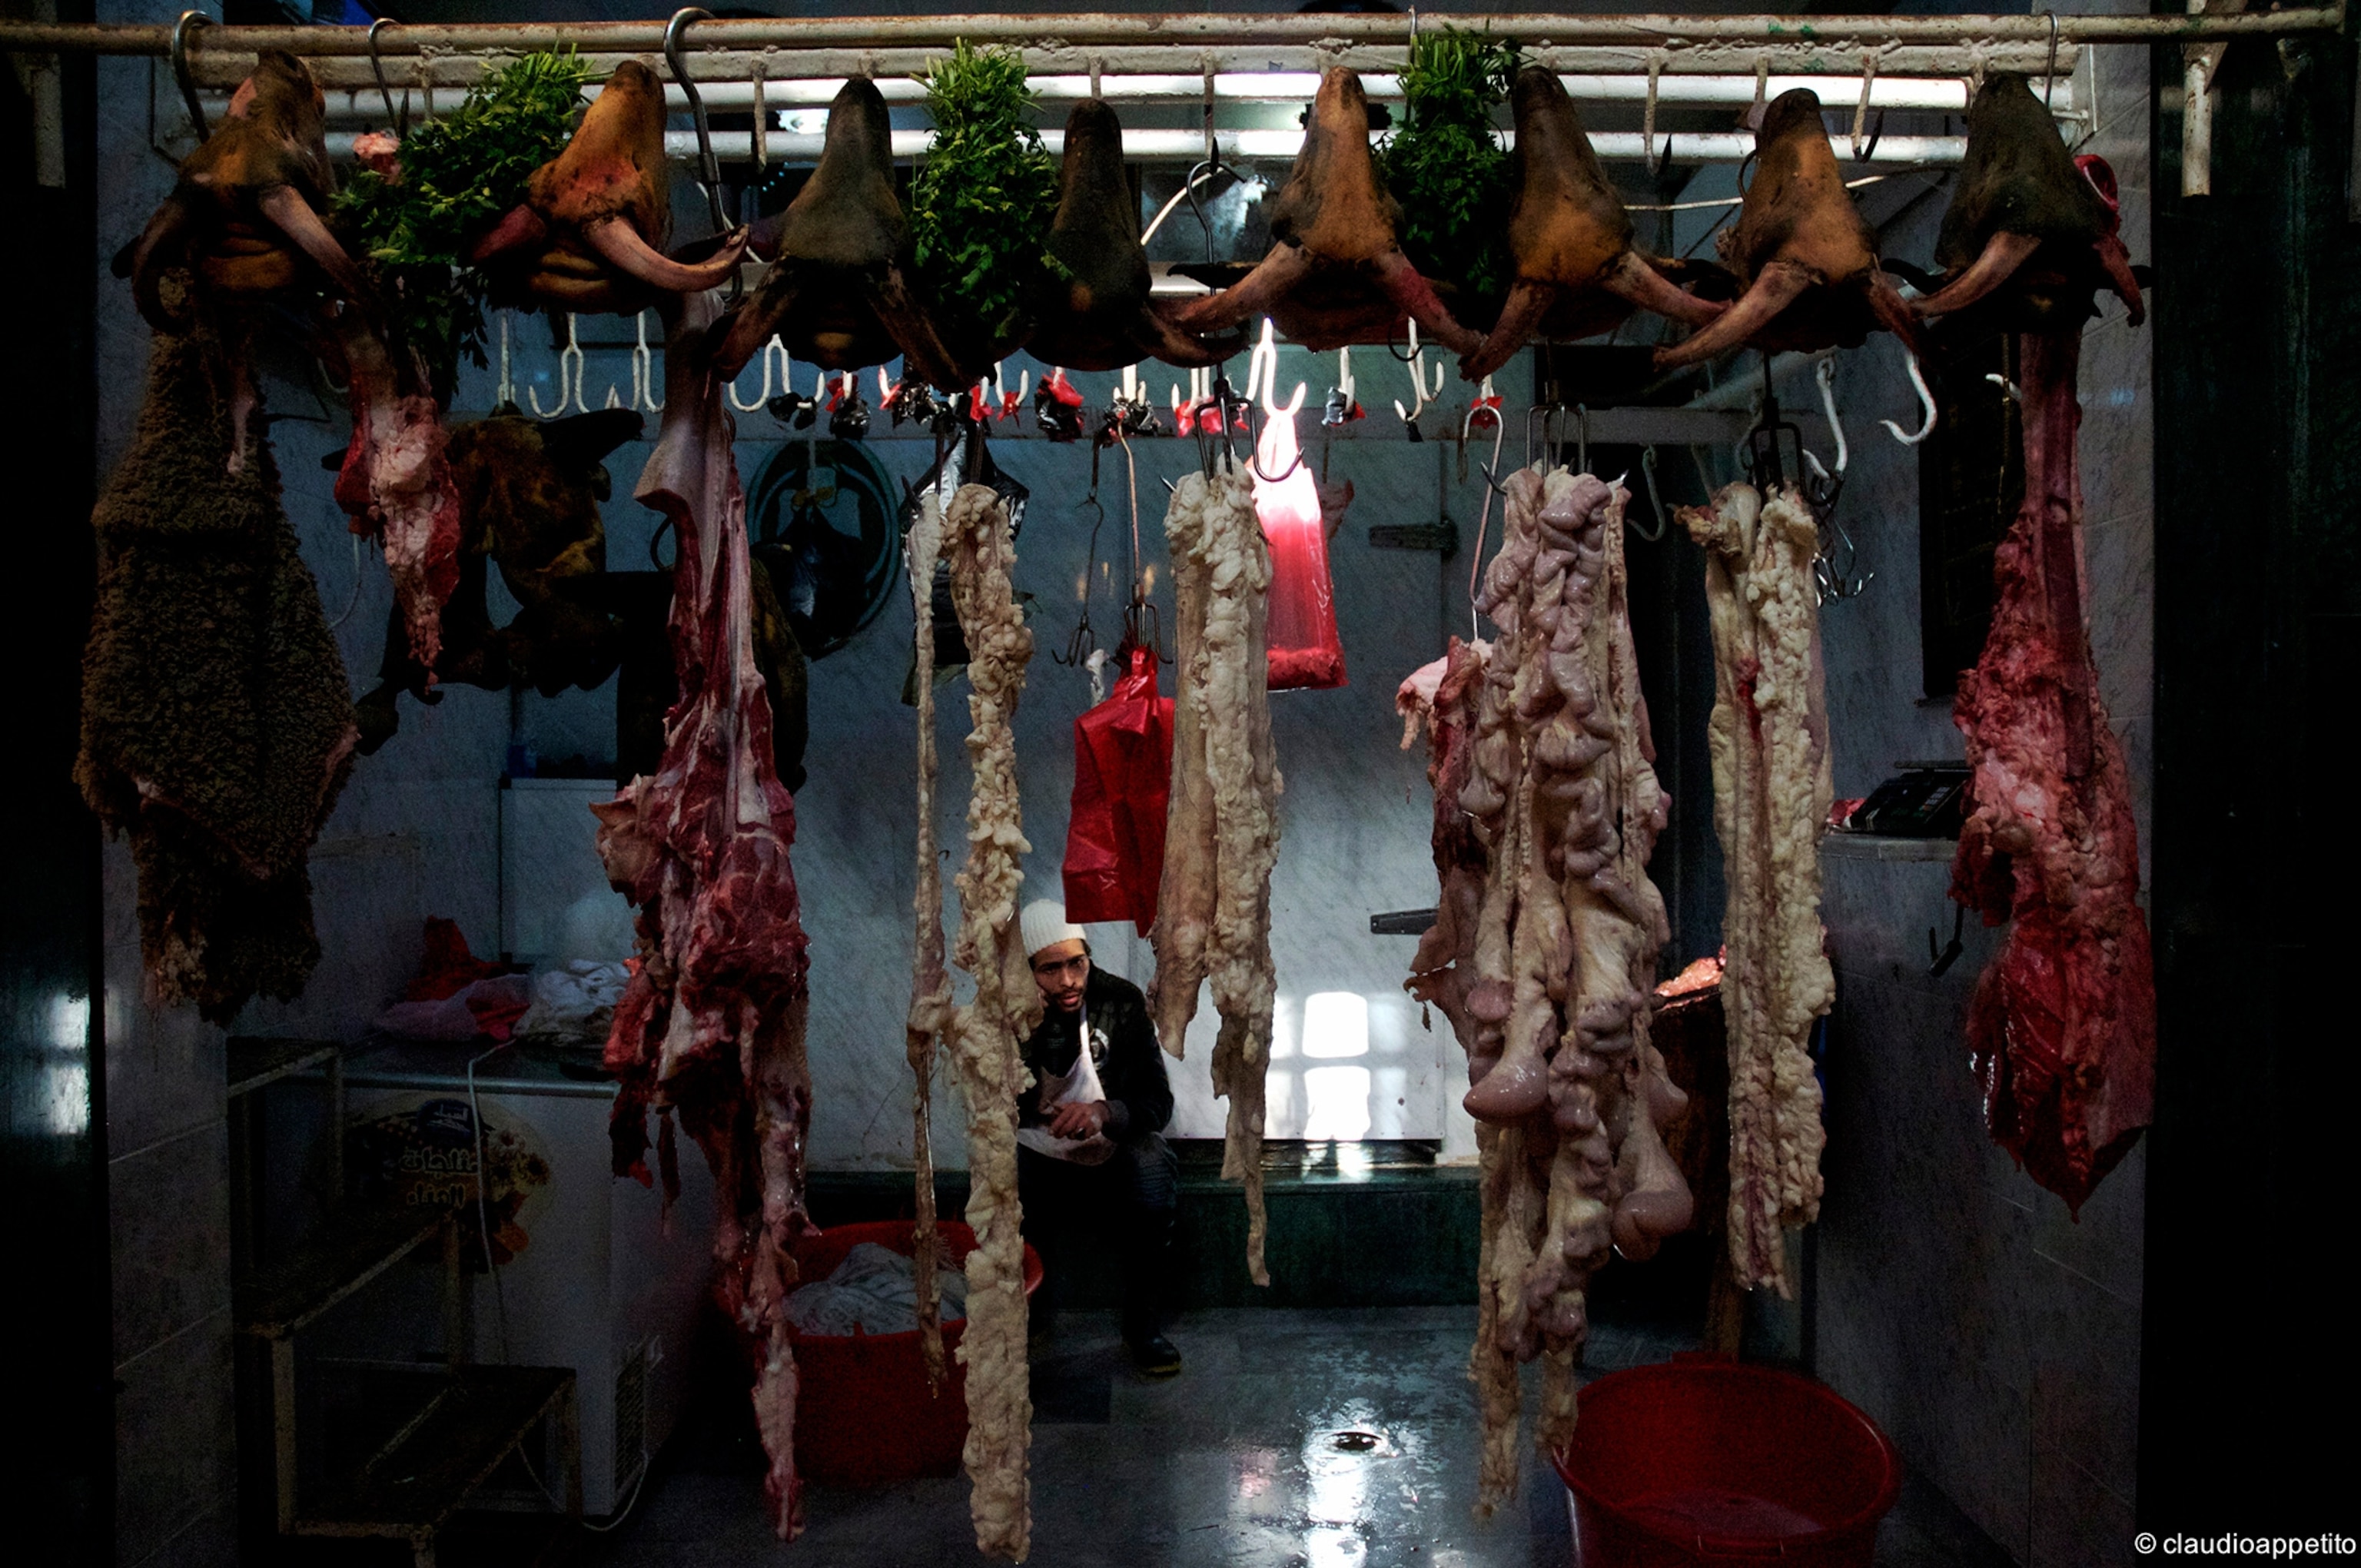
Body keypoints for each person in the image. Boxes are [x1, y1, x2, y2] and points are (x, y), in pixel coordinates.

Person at [1013, 899, 1183, 1377]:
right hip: (1037, 1148)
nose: (1068, 980)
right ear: (1027, 971)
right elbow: (992, 1102)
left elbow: (1157, 1101)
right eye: (1050, 969)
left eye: (1077, 963)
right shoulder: (1008, 1009)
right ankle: (1031, 1312)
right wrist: (1033, 1029)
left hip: (1110, 1146)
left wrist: (1105, 1111)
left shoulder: (1120, 1001)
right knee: (1001, 1178)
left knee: (1153, 1171)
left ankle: (1142, 1324)